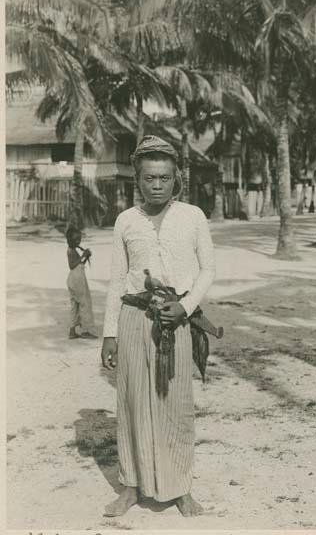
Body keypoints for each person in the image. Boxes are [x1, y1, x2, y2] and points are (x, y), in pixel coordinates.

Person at [101, 135, 215, 518]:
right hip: (134, 319)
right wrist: (109, 334)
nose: (156, 185)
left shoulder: (193, 217)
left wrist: (185, 306)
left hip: (176, 322)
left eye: (164, 178)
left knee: (175, 405)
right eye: (149, 178)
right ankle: (131, 486)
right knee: (132, 402)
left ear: (176, 179)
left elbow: (208, 269)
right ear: (138, 179)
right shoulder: (126, 221)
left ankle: (179, 488)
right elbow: (117, 280)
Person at [66, 226, 97, 340]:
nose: (78, 241)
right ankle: (85, 330)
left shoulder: (74, 249)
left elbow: (78, 264)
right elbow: (72, 265)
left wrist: (85, 257)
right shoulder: (70, 250)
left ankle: (72, 331)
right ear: (70, 240)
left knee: (75, 305)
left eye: (79, 239)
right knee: (84, 303)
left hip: (75, 279)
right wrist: (83, 256)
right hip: (77, 280)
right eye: (76, 240)